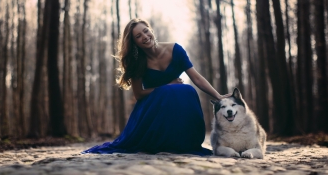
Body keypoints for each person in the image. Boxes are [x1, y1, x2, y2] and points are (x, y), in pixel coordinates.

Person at [82, 18, 231, 155]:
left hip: (176, 106)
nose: (145, 37)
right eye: (138, 36)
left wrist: (218, 96)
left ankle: (186, 139)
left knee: (187, 90)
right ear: (135, 43)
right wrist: (166, 86)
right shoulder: (137, 61)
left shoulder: (175, 50)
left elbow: (196, 78)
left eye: (145, 31)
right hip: (152, 107)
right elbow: (139, 94)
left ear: (150, 29)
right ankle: (160, 138)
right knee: (175, 90)